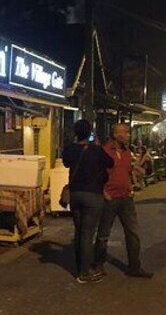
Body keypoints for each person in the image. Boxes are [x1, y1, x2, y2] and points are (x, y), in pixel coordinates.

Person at [93, 123, 153, 278]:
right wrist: (104, 192)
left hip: (126, 198)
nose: (128, 135)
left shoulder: (127, 152)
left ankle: (134, 266)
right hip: (110, 198)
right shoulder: (105, 151)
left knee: (133, 233)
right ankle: (98, 265)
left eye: (128, 133)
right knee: (103, 234)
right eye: (125, 133)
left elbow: (128, 171)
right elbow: (96, 174)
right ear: (116, 134)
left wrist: (133, 183)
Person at [62, 119, 114, 284]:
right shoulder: (96, 150)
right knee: (87, 233)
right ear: (90, 132)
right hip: (92, 195)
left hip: (75, 194)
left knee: (79, 231)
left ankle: (80, 267)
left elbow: (66, 163)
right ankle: (84, 272)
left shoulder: (70, 149)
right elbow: (110, 163)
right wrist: (97, 146)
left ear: (75, 133)